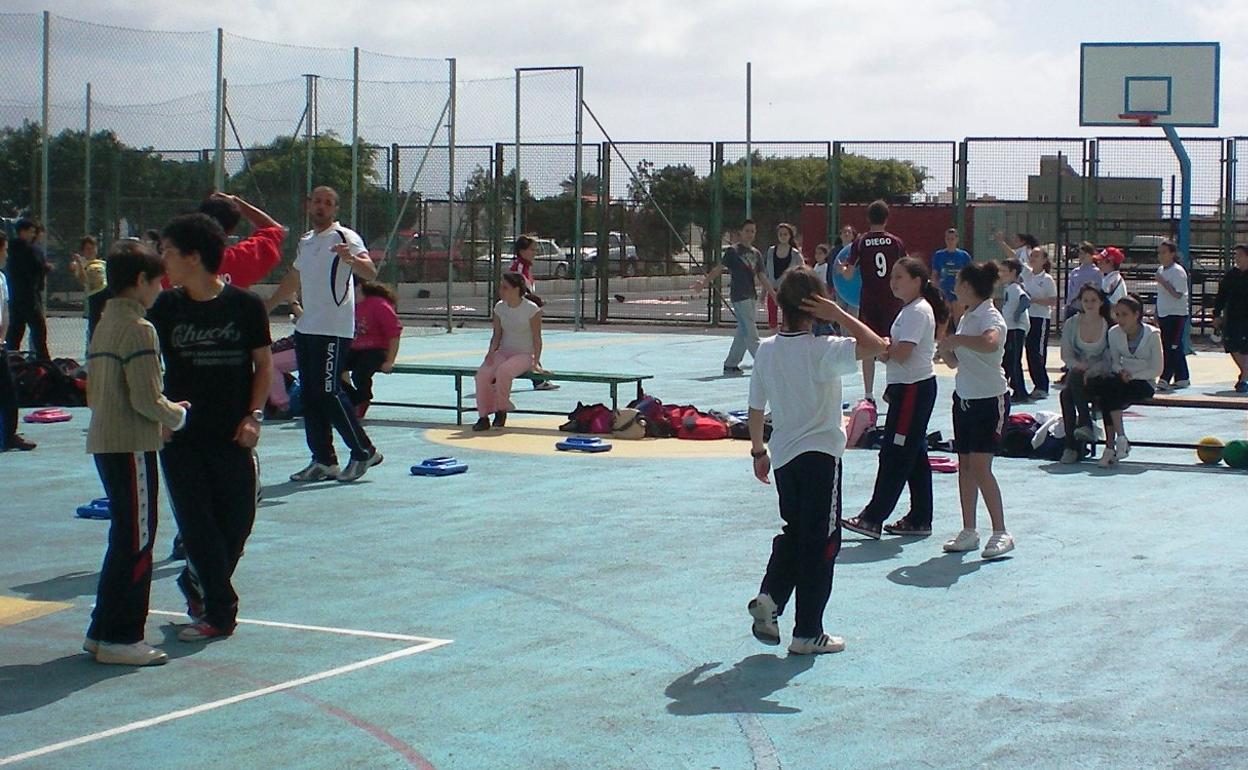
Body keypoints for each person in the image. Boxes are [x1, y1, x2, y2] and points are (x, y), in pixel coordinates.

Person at [746, 267, 886, 655]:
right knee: (822, 543)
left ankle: (771, 596)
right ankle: (807, 631)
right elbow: (876, 344)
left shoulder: (768, 350)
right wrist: (839, 314)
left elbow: (756, 407)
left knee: (795, 533)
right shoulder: (825, 350)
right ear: (816, 306)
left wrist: (759, 451)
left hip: (785, 458)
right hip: (821, 457)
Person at [149, 213, 272, 642]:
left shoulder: (245, 305)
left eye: (167, 251)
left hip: (233, 434)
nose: (163, 259)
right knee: (197, 524)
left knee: (237, 521)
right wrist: (159, 417)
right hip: (180, 437)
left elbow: (264, 364)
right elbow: (151, 368)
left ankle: (197, 581)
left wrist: (254, 415)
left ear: (193, 256)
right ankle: (220, 612)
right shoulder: (166, 307)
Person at [83, 240, 189, 666]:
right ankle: (123, 636)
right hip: (131, 443)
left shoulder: (105, 320)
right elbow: (148, 398)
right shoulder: (140, 328)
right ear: (141, 282)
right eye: (157, 281)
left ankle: (102, 630)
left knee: (123, 538)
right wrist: (178, 415)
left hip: (106, 439)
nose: (161, 289)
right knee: (138, 541)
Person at [266, 186, 383, 483]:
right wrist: (266, 306)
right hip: (307, 328)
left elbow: (370, 272)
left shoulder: (345, 237)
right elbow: (294, 277)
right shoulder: (306, 242)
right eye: (317, 202)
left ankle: (363, 451)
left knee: (329, 391)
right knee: (311, 394)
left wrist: (352, 261)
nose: (321, 207)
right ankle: (323, 460)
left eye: (328, 203)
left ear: (335, 209)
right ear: (308, 205)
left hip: (334, 329)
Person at [842, 257, 950, 539]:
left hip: (914, 388)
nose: (893, 282)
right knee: (915, 455)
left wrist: (882, 351)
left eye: (900, 277)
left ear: (917, 281)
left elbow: (903, 353)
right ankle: (920, 517)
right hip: (909, 388)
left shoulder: (917, 311)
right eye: (892, 277)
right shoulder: (910, 310)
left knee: (895, 453)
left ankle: (873, 517)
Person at [935, 261, 1014, 559]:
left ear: (968, 286)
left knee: (981, 468)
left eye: (957, 284)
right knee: (965, 466)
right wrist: (947, 351)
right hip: (964, 399)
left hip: (989, 401)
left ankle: (1001, 531)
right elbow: (959, 363)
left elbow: (990, 343)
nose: (954, 289)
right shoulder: (968, 317)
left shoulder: (991, 316)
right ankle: (969, 529)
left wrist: (956, 340)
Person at [838, 201, 907, 401]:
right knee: (892, 343)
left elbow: (849, 275)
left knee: (868, 344)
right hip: (892, 299)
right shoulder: (895, 242)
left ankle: (868, 395)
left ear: (868, 218)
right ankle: (893, 388)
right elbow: (906, 266)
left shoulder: (860, 242)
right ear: (887, 218)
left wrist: (841, 270)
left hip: (869, 300)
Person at [1085, 294, 1163, 468]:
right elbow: (1114, 361)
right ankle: (1118, 440)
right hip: (1120, 379)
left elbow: (1157, 369)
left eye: (1125, 314)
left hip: (1144, 382)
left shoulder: (1152, 335)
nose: (1120, 319)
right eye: (1117, 314)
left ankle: (1111, 445)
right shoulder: (1114, 333)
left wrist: (1133, 376)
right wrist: (1121, 372)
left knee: (1109, 391)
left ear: (1137, 315)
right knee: (1106, 387)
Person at [693, 219, 768, 375]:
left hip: (751, 295)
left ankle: (731, 363)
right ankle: (763, 363)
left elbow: (762, 276)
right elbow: (719, 269)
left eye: (753, 231)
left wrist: (772, 294)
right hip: (739, 295)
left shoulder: (756, 253)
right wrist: (704, 282)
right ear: (741, 232)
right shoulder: (733, 252)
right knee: (750, 330)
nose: (750, 234)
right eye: (747, 230)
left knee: (743, 330)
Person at [473, 272, 546, 431]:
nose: (501, 290)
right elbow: (497, 335)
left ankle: (501, 410)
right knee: (482, 375)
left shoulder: (531, 309)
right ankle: (483, 416)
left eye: (505, 287)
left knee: (504, 372)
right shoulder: (499, 307)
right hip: (504, 352)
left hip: (524, 355)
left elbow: (537, 339)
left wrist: (535, 362)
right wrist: (491, 353)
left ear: (516, 289)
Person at [1058, 284, 1112, 464]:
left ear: (1101, 302)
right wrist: (1078, 366)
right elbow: (1066, 354)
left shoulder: (1108, 325)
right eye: (1085, 300)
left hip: (1101, 376)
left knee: (1068, 391)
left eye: (1093, 300)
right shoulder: (1071, 323)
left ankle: (1073, 443)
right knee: (1067, 391)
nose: (1089, 304)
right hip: (1077, 373)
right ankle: (1081, 430)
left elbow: (1109, 358)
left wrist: (1091, 370)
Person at [198, 192, 286, 288]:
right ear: (232, 229)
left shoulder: (184, 257)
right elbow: (276, 230)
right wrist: (236, 202)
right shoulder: (242, 257)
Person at [344, 281, 402, 419]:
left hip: (376, 349)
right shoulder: (348, 305)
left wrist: (390, 360)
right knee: (332, 370)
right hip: (355, 348)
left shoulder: (378, 304)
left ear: (358, 287)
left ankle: (364, 398)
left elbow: (394, 333)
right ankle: (354, 398)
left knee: (359, 374)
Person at [0, 233, 36, 451]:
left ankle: (9, 435)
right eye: (4, 249)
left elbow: (4, 310)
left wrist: (2, 337)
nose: (6, 254)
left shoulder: (2, 278)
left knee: (8, 391)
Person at [509, 236, 557, 391]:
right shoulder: (519, 268)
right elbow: (518, 291)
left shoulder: (526, 267)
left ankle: (537, 379)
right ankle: (538, 380)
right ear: (522, 251)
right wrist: (535, 302)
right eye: (532, 249)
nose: (535, 253)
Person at [3, 218, 51, 360]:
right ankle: (44, 361)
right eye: (30, 232)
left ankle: (10, 361)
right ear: (22, 232)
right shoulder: (29, 249)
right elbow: (37, 266)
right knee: (39, 331)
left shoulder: (11, 249)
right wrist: (46, 267)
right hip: (29, 296)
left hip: (15, 296)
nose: (33, 235)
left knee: (15, 333)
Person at [1154, 239, 1190, 391]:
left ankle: (1165, 377)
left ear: (1172, 254)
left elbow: (1177, 294)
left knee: (1172, 347)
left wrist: (1162, 282)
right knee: (1171, 346)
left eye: (1164, 252)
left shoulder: (1178, 271)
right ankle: (1182, 377)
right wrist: (1156, 312)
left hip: (1176, 315)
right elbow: (1160, 295)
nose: (1161, 256)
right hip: (1164, 313)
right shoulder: (1161, 270)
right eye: (1159, 253)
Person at [1022, 247, 1057, 399]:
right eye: (1032, 255)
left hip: (1040, 318)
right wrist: (1001, 242)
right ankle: (1036, 385)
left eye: (1037, 256)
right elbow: (1014, 258)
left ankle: (1042, 385)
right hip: (1027, 318)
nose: (1033, 258)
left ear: (1044, 260)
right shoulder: (1027, 274)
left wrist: (1034, 300)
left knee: (1038, 352)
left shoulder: (1047, 279)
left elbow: (1052, 300)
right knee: (1029, 351)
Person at [1213, 244, 1248, 393]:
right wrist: (1216, 314)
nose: (1237, 258)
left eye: (1240, 255)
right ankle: (1245, 373)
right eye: (1236, 255)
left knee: (1245, 348)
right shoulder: (1231, 275)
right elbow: (1221, 295)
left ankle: (1244, 378)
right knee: (1231, 346)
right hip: (1232, 317)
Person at [761, 223, 804, 331]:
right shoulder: (771, 251)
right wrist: (763, 292)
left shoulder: (795, 254)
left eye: (785, 234)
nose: (783, 236)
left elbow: (803, 271)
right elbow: (766, 273)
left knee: (787, 317)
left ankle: (786, 337)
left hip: (787, 289)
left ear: (790, 236)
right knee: (772, 317)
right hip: (772, 289)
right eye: (780, 234)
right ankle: (774, 336)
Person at [1000, 258, 1031, 403]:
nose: (1002, 274)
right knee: (1008, 360)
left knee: (1014, 361)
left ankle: (1020, 392)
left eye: (1005, 271)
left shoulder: (1015, 288)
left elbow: (1025, 300)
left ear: (1013, 272)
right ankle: (1011, 386)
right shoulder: (1009, 287)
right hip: (1010, 329)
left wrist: (1017, 315)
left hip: (1016, 329)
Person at [69, 236, 108, 345]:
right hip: (95, 295)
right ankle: (92, 348)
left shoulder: (102, 263)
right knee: (94, 325)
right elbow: (82, 279)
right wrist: (79, 263)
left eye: (93, 248)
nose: (91, 251)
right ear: (83, 251)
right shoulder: (81, 264)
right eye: (87, 249)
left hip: (106, 292)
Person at [932, 228, 971, 329]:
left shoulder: (964, 255)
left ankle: (960, 340)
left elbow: (969, 274)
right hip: (943, 291)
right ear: (945, 240)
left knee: (958, 319)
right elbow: (935, 273)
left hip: (958, 291)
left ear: (957, 240)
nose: (950, 241)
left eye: (952, 239)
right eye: (948, 239)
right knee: (943, 319)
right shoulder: (939, 255)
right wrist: (935, 289)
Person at [1064, 242, 1103, 320]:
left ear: (1091, 255)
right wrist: (1068, 305)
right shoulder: (1075, 272)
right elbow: (1070, 290)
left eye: (1084, 254)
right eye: (1080, 253)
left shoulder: (1097, 272)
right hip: (1073, 308)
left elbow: (1098, 290)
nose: (1081, 256)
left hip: (1088, 310)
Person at [831, 225, 862, 318]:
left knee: (853, 315)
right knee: (841, 315)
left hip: (855, 287)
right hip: (839, 286)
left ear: (853, 236)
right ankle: (843, 333)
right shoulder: (835, 251)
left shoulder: (858, 249)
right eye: (844, 232)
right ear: (840, 235)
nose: (846, 234)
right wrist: (830, 285)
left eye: (849, 232)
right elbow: (830, 269)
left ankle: (851, 333)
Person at [811, 244, 835, 336]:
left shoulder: (825, 267)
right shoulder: (816, 266)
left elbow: (824, 283)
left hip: (822, 294)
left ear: (825, 255)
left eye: (820, 253)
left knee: (822, 316)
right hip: (815, 294)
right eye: (816, 253)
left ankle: (830, 331)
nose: (817, 256)